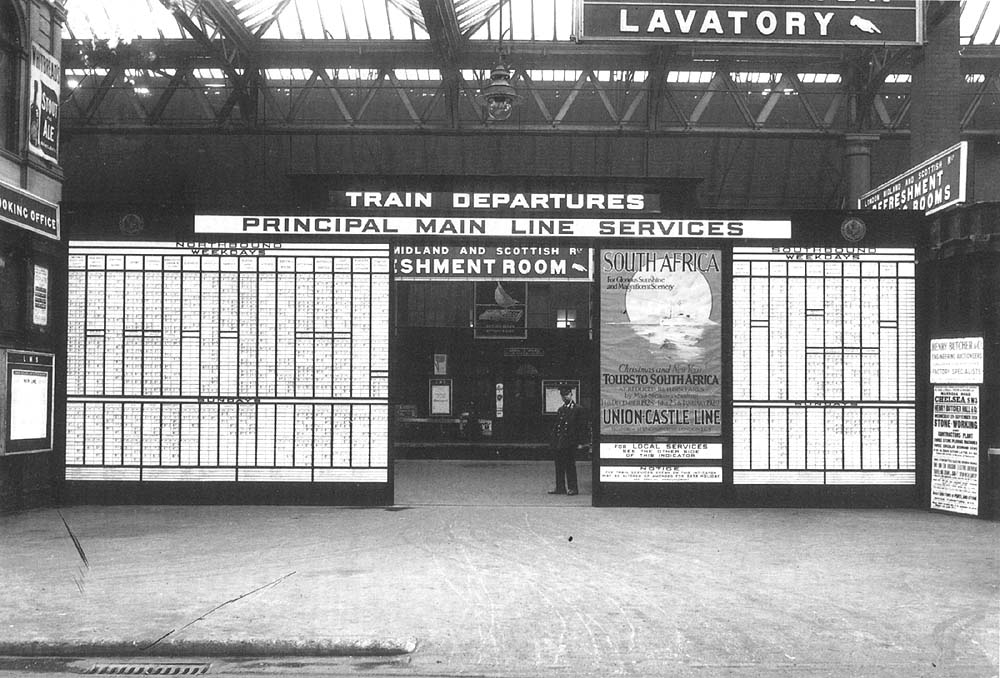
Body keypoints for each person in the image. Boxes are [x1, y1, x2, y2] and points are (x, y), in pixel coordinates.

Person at [548, 385, 588, 496]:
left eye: (566, 394)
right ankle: (560, 487)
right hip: (560, 442)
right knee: (559, 466)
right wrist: (554, 441)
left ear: (571, 395)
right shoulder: (561, 410)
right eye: (563, 395)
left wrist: (581, 443)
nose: (564, 397)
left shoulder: (578, 409)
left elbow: (582, 427)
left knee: (570, 465)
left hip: (571, 442)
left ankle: (573, 488)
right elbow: (557, 427)